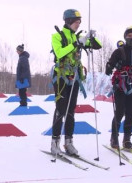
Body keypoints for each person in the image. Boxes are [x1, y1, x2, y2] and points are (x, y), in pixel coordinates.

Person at [50, 9, 101, 156]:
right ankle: (54, 142)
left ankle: (69, 142)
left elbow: (98, 45)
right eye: (77, 22)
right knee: (60, 109)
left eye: (80, 22)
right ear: (69, 21)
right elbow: (59, 53)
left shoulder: (78, 37)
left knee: (71, 111)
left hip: (74, 77)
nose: (78, 25)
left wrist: (91, 37)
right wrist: (76, 44)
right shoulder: (57, 36)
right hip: (60, 77)